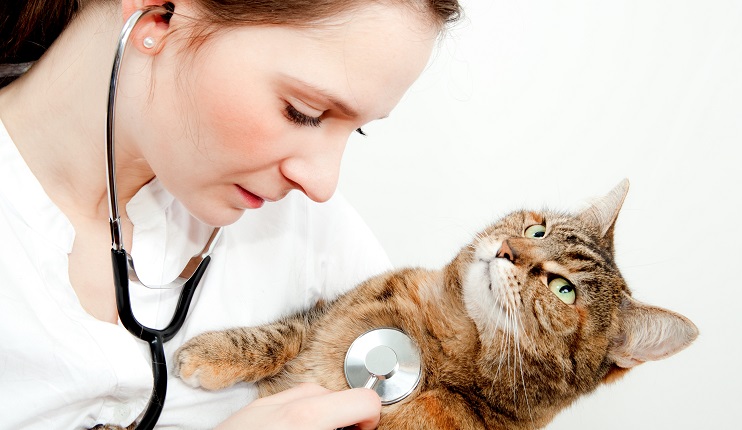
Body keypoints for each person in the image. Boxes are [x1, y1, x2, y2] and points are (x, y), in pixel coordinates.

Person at [0, 0, 461, 428]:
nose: (322, 184)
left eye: (355, 130)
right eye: (304, 112)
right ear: (157, 18)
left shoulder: (306, 228)